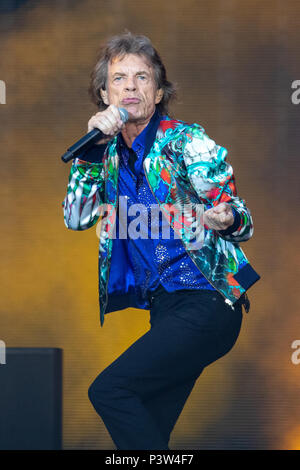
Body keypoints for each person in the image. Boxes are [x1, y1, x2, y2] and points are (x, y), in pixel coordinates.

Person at [62, 32, 260, 450]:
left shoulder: (186, 142)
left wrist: (226, 217)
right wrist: (91, 152)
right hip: (166, 309)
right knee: (149, 432)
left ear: (158, 90)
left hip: (209, 301)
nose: (130, 87)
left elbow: (240, 219)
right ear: (103, 94)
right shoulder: (105, 154)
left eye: (142, 78)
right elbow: (76, 219)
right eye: (119, 79)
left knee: (110, 391)